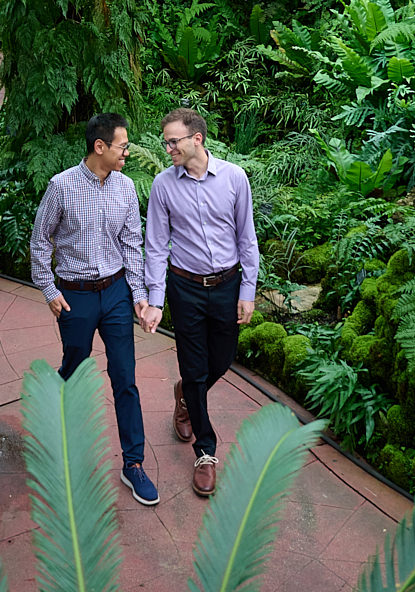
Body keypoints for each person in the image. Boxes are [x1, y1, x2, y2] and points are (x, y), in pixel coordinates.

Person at [29, 112, 160, 506]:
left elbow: (131, 245)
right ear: (99, 147)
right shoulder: (61, 187)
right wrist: (49, 289)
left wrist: (138, 294)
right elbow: (39, 241)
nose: (128, 152)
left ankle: (133, 464)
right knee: (75, 370)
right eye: (123, 145)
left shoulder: (124, 187)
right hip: (75, 296)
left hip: (116, 292)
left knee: (125, 377)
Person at [141, 107, 259, 497]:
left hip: (226, 285)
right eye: (166, 142)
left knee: (222, 360)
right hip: (185, 288)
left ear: (197, 139)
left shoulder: (234, 178)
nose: (168, 148)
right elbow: (156, 246)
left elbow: (247, 239)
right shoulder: (163, 185)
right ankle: (206, 452)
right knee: (194, 369)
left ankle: (187, 395)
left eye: (173, 141)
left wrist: (247, 291)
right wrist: (155, 300)